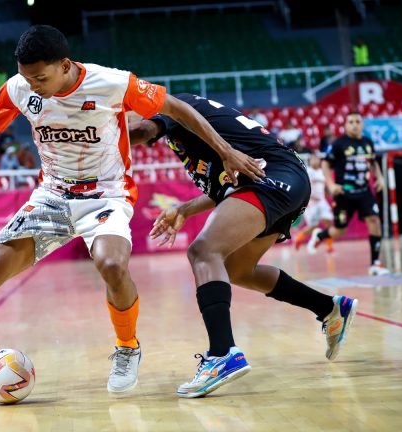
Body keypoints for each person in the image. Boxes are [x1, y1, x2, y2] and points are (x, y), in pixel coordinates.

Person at [0, 25, 263, 406]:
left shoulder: (111, 83)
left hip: (106, 195)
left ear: (65, 65)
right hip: (51, 197)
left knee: (112, 265)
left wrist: (225, 151)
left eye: (40, 78)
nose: (33, 86)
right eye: (26, 78)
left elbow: (177, 108)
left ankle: (127, 347)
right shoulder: (20, 88)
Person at [129, 93, 358, 398]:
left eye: (123, 115)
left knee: (203, 251)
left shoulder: (169, 107)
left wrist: (98, 137)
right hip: (279, 178)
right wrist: (184, 209)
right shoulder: (184, 131)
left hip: (273, 176)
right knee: (237, 270)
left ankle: (222, 353)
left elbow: (142, 130)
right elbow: (225, 189)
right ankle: (329, 307)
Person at [307, 112, 390, 275]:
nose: (354, 125)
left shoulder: (368, 143)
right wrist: (331, 184)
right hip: (344, 194)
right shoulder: (339, 144)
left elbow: (373, 162)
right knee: (340, 230)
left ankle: (375, 264)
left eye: (357, 121)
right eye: (350, 122)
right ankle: (320, 235)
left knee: (374, 220)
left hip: (364, 191)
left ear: (362, 125)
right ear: (345, 125)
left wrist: (380, 178)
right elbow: (325, 164)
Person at [294, 154, 334, 252]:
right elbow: (303, 186)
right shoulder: (307, 171)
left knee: (329, 222)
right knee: (313, 226)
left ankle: (329, 247)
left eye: (317, 159)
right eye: (313, 159)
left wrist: (332, 195)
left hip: (321, 201)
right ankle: (298, 238)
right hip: (311, 202)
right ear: (310, 161)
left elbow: (325, 188)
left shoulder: (322, 172)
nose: (315, 161)